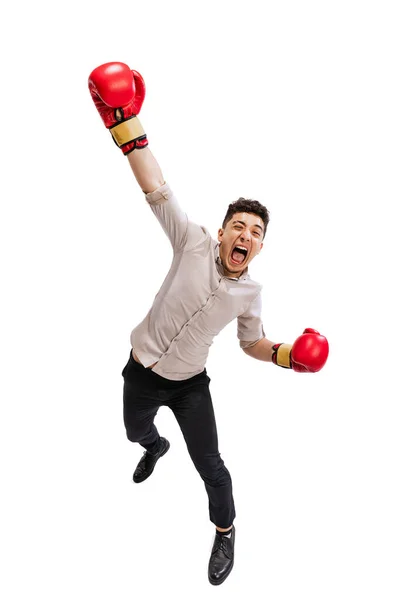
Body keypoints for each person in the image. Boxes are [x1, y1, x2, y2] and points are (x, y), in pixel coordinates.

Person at [88, 62, 329, 586]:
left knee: (213, 467)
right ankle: (155, 447)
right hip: (142, 370)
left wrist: (287, 356)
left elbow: (252, 343)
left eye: (256, 231)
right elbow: (157, 187)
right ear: (221, 232)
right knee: (135, 431)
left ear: (261, 245)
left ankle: (225, 530)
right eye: (238, 226)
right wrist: (124, 124)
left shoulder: (251, 292)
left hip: (192, 387)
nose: (245, 235)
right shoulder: (191, 240)